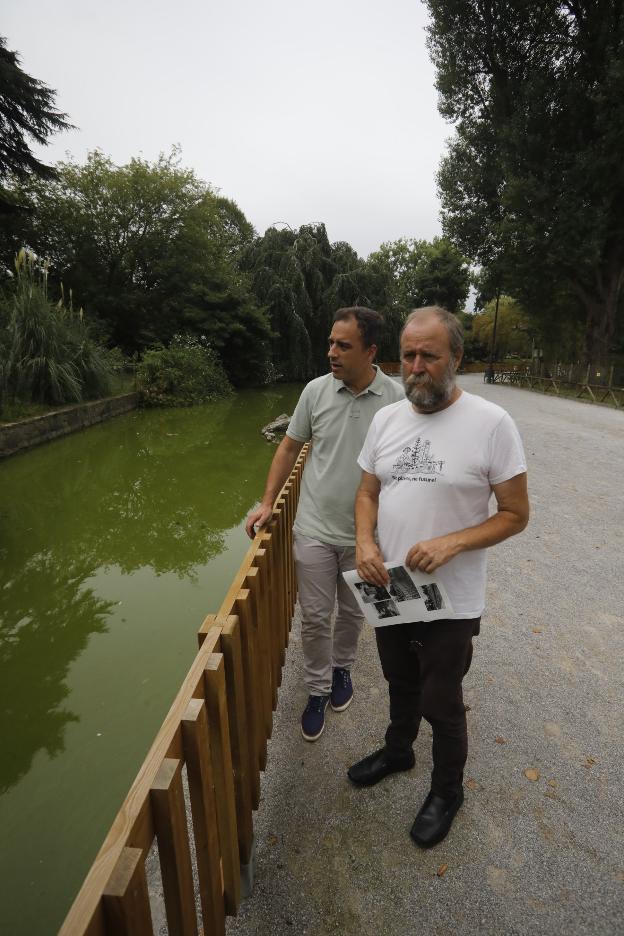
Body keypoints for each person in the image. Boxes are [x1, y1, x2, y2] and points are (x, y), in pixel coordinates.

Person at [348, 306, 529, 847]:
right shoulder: (386, 419)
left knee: (439, 697)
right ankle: (399, 751)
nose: (417, 366)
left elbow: (516, 514)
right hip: (391, 589)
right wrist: (364, 542)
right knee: (399, 680)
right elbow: (366, 493)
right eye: (408, 355)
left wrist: (454, 541)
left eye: (429, 355)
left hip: (452, 599)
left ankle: (447, 789)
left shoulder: (492, 423)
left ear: (456, 358)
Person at [245, 307, 404, 741]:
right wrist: (266, 503)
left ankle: (342, 671)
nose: (331, 352)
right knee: (315, 616)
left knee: (352, 611)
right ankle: (316, 689)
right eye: (331, 343)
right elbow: (288, 447)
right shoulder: (315, 391)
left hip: (365, 536)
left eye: (343, 345)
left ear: (370, 351)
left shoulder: (396, 400)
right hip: (313, 527)